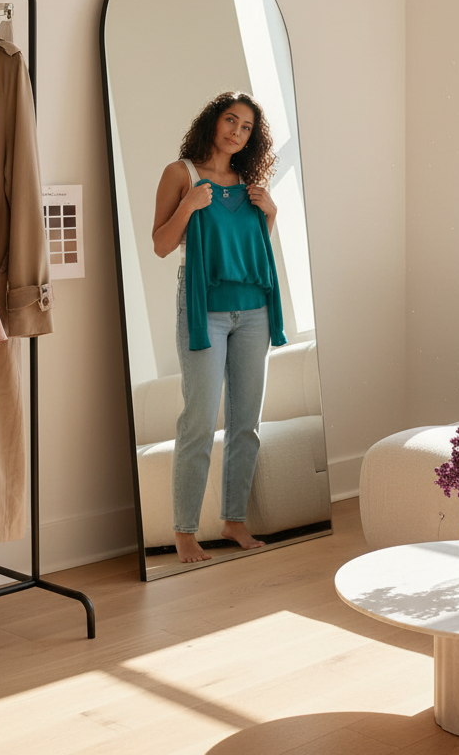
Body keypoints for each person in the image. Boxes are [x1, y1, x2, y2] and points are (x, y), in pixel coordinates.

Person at [152, 91, 287, 563]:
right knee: (199, 421)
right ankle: (185, 531)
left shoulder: (251, 183)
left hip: (253, 313)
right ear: (213, 121)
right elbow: (161, 246)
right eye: (231, 120)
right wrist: (188, 206)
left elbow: (249, 250)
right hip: (204, 313)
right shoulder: (180, 174)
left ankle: (233, 522)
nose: (237, 132)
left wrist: (270, 213)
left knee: (246, 423)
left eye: (247, 127)